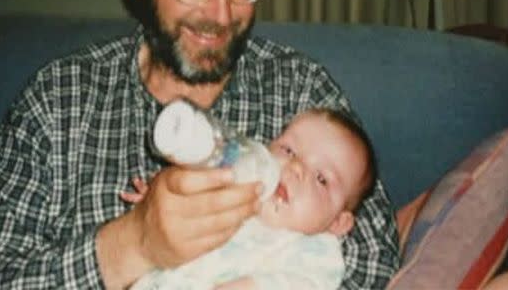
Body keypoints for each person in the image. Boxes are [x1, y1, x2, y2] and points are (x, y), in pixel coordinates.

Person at [0, 0, 399, 289]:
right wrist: (132, 243)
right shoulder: (59, 101)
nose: (220, 14)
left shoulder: (300, 91)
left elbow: (378, 260)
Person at [125, 107, 378, 290]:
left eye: (321, 179)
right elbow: (174, 215)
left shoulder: (315, 250)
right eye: (288, 150)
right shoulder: (231, 185)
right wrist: (159, 205)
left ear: (338, 223)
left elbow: (304, 284)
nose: (295, 168)